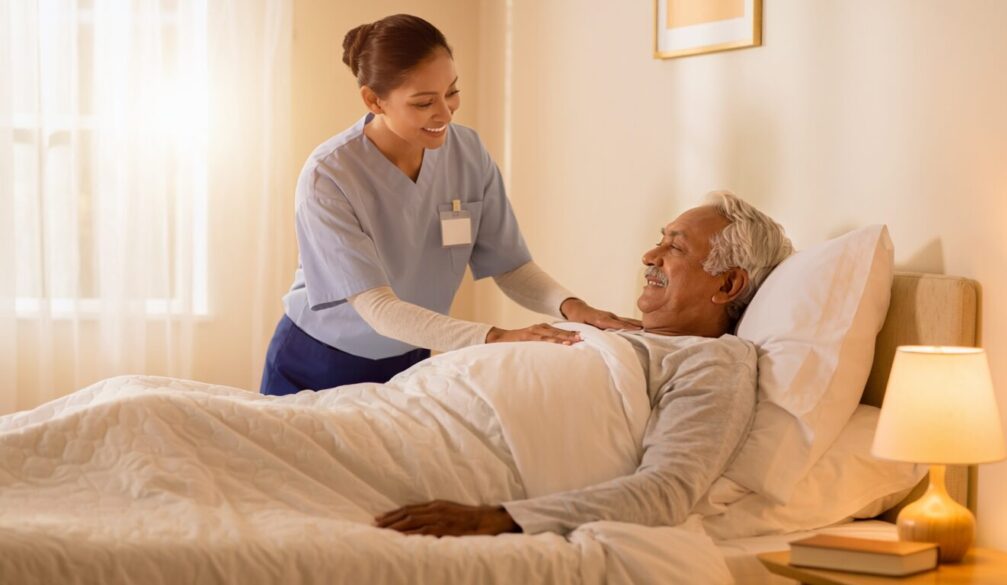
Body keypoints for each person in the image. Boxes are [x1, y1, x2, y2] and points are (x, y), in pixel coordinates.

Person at [375, 190, 795, 536]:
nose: (650, 255)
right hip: (402, 411)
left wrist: (497, 518)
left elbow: (665, 492)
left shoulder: (714, 361)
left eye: (675, 247)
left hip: (449, 456)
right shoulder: (619, 334)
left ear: (727, 284)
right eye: (660, 239)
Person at [261, 14, 638, 397]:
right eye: (424, 102)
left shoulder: (467, 152)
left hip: (412, 354)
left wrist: (571, 307)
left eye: (452, 92)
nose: (445, 113)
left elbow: (511, 266)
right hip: (317, 361)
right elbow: (378, 308)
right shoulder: (330, 175)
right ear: (374, 100)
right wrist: (493, 337)